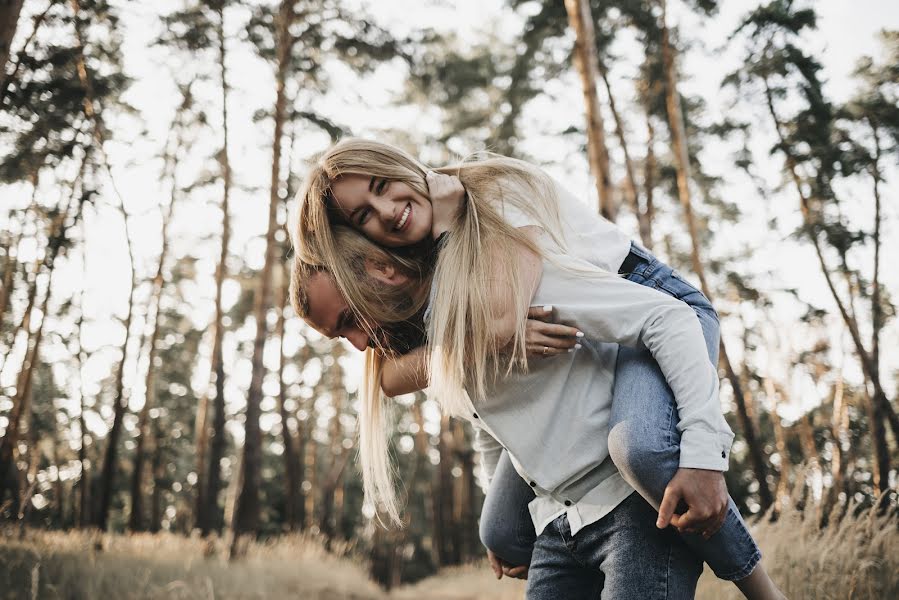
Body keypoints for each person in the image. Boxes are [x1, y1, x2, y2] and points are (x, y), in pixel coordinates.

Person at [291, 138, 784, 599]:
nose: (385, 211)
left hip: (655, 300)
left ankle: (759, 586)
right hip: (610, 325)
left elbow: (517, 317)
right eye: (363, 216)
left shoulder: (492, 204)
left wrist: (704, 453)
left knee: (640, 449)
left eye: (381, 187)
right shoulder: (445, 296)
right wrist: (485, 344)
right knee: (500, 529)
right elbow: (411, 383)